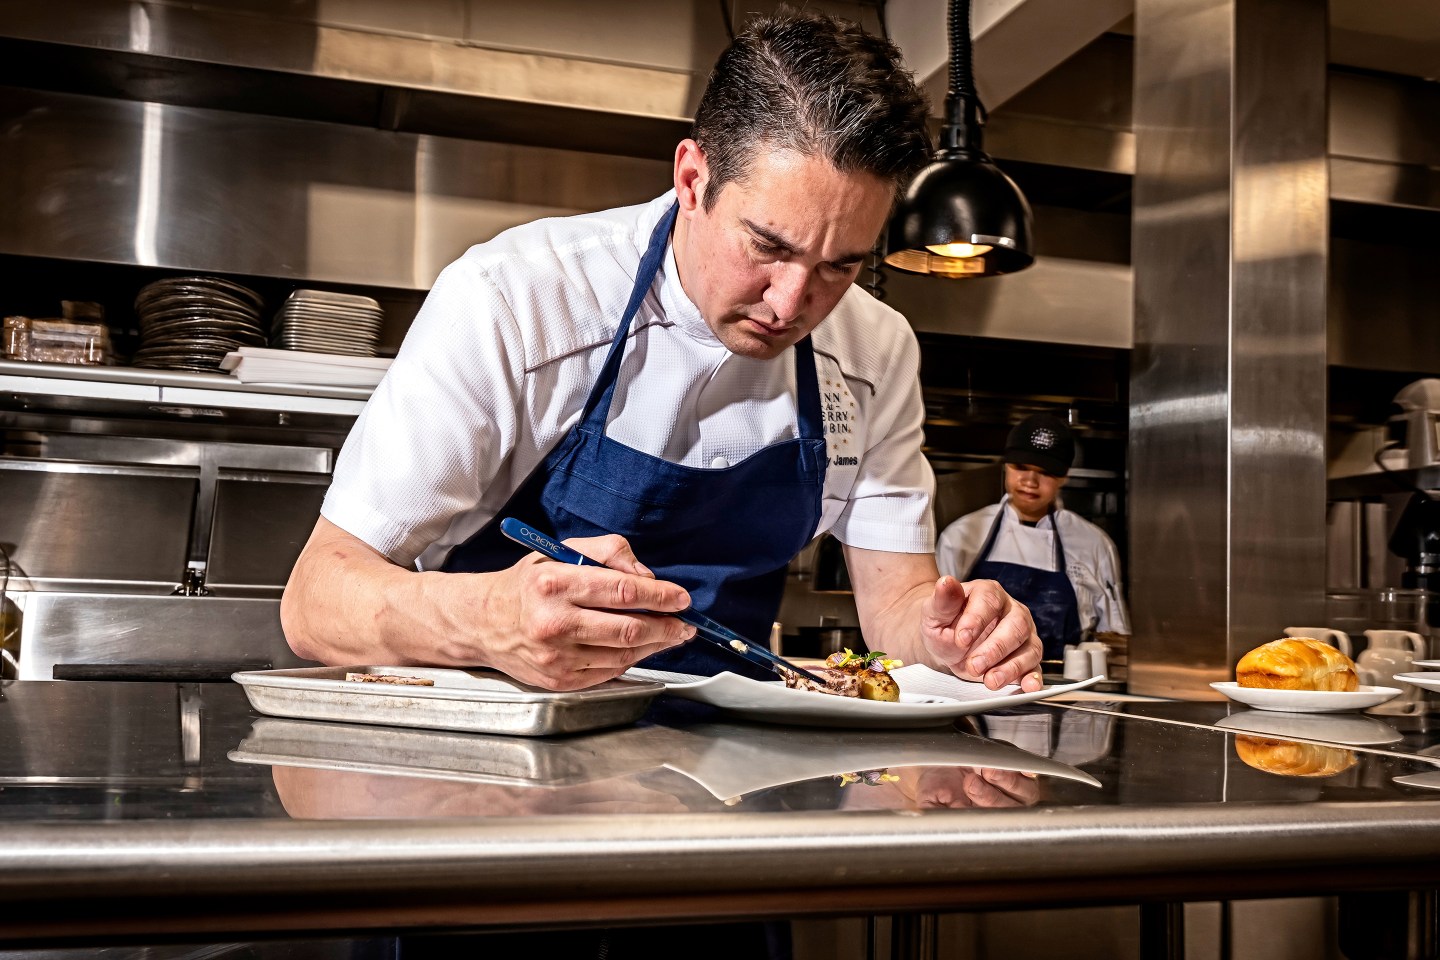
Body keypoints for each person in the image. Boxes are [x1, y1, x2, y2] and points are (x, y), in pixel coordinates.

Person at [281, 8, 1043, 695]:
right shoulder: (518, 297)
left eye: (840, 266)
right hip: (502, 756)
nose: (790, 303)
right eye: (767, 246)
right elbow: (316, 601)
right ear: (691, 177)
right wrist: (486, 619)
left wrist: (953, 639)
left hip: (732, 761)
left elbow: (897, 603)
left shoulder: (876, 349)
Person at [936, 413, 1130, 661]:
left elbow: (1114, 637)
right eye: (1021, 467)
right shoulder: (961, 536)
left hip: (1066, 680)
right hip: (975, 676)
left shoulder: (1094, 544)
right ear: (1006, 466)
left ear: (1064, 476)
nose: (1030, 481)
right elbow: (938, 624)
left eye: (1045, 472)